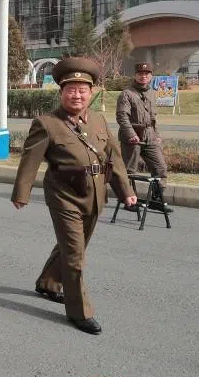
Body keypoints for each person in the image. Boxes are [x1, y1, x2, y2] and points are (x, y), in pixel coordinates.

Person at [12, 57, 136, 335]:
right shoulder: (46, 123)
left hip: (94, 195)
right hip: (63, 196)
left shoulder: (99, 121)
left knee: (72, 248)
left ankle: (48, 282)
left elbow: (114, 159)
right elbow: (30, 161)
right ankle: (79, 311)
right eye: (71, 89)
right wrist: (22, 193)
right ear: (61, 92)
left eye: (82, 89)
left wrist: (126, 192)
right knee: (75, 255)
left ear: (91, 93)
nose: (77, 95)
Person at [115, 61, 171, 213]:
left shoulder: (152, 93)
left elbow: (153, 118)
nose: (143, 76)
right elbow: (122, 117)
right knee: (130, 170)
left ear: (151, 76)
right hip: (132, 137)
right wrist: (131, 134)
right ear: (135, 75)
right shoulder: (127, 94)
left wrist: (157, 135)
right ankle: (128, 200)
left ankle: (156, 198)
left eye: (147, 74)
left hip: (150, 137)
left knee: (160, 167)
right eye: (140, 74)